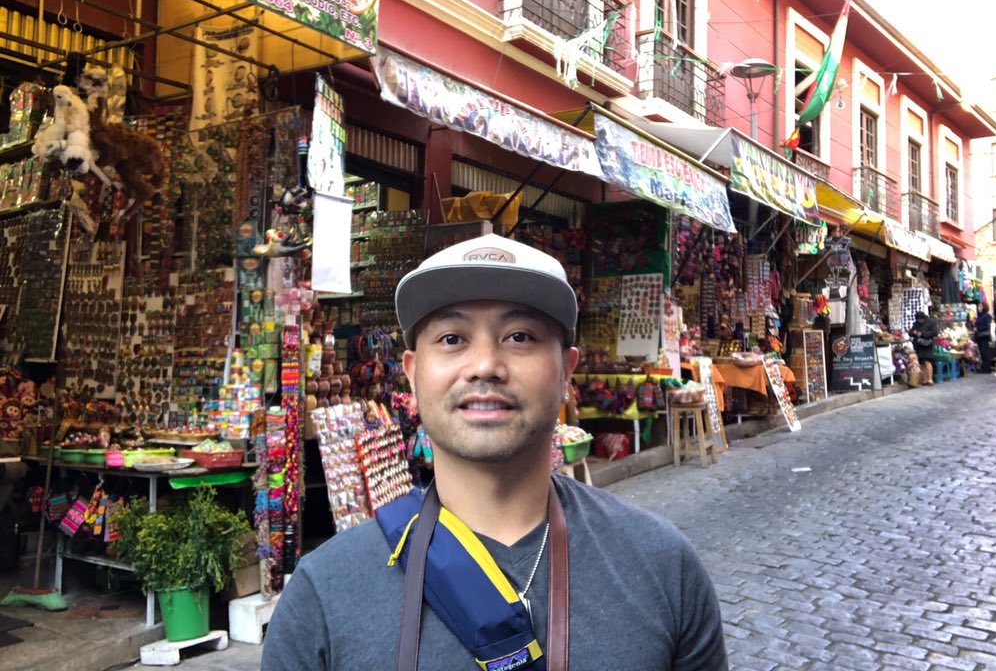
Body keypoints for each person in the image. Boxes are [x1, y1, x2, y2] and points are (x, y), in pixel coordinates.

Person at [262, 234, 728, 670]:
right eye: (452, 339)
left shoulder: (665, 569)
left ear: (566, 370)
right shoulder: (322, 595)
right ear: (413, 372)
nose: (485, 365)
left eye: (520, 336)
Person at [909, 310, 939, 385]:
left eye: (921, 319)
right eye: (918, 319)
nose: (919, 321)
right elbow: (911, 332)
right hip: (918, 344)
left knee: (927, 361)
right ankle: (924, 379)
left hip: (927, 344)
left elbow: (935, 332)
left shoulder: (931, 322)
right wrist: (913, 333)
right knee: (922, 362)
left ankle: (930, 379)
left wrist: (923, 334)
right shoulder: (916, 324)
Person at [973, 303, 993, 374]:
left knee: (985, 351)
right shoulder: (979, 316)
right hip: (979, 336)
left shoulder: (987, 316)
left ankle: (987, 367)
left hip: (984, 335)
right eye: (978, 306)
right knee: (982, 352)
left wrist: (978, 328)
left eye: (980, 306)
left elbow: (987, 326)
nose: (979, 308)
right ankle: (984, 367)